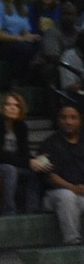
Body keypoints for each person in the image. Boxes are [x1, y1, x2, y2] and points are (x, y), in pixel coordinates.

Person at [35, 103, 84, 244]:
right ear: (58, 120)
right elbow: (50, 176)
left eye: (73, 117)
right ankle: (72, 240)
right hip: (53, 195)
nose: (68, 121)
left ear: (79, 121)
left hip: (79, 194)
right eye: (64, 117)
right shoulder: (47, 143)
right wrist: (73, 188)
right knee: (67, 196)